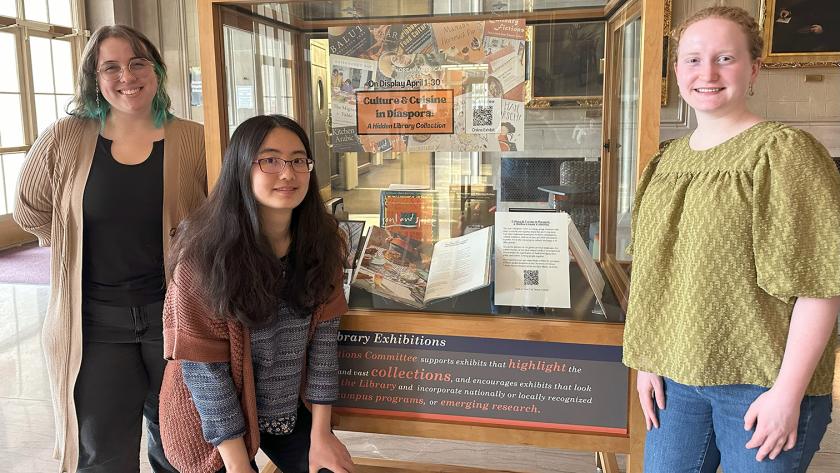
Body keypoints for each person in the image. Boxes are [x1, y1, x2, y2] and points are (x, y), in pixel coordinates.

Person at [623, 6, 840, 472]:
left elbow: (821, 283)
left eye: (726, 58)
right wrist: (647, 359)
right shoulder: (665, 162)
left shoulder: (784, 153)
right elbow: (655, 275)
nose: (707, 72)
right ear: (677, 69)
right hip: (674, 379)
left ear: (754, 68)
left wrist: (787, 393)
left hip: (762, 382)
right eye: (693, 59)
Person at [13, 25, 206, 472]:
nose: (127, 76)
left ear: (156, 70)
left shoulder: (194, 139)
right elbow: (29, 208)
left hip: (174, 318)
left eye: (138, 62)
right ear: (94, 79)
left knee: (183, 448)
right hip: (94, 325)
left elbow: (221, 218)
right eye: (111, 67)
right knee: (104, 455)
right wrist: (68, 239)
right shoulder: (65, 137)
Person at [158, 114, 355, 473]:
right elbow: (205, 373)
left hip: (285, 410)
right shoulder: (203, 258)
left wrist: (322, 435)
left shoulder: (323, 244)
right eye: (270, 160)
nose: (287, 173)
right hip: (212, 423)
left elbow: (324, 348)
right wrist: (238, 465)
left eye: (298, 160)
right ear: (241, 169)